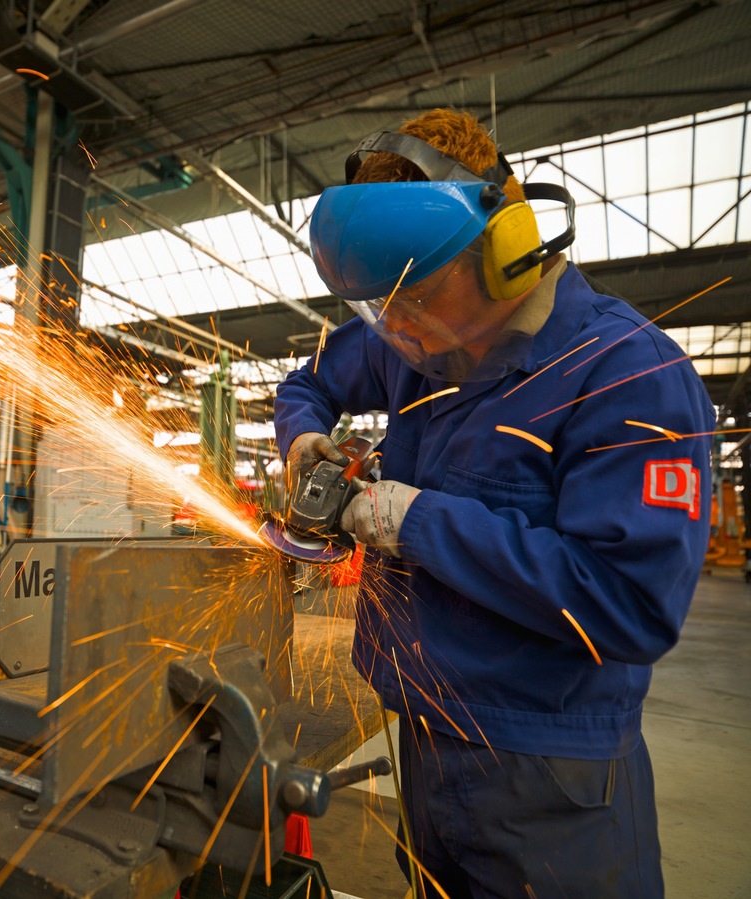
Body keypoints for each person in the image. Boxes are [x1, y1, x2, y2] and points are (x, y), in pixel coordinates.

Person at [274, 108, 713, 898]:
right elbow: (306, 381)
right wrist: (304, 440)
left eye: (415, 298)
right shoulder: (415, 341)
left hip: (550, 780)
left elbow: (632, 605)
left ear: (505, 251)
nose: (395, 329)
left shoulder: (628, 374)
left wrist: (413, 520)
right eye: (383, 306)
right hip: (422, 739)